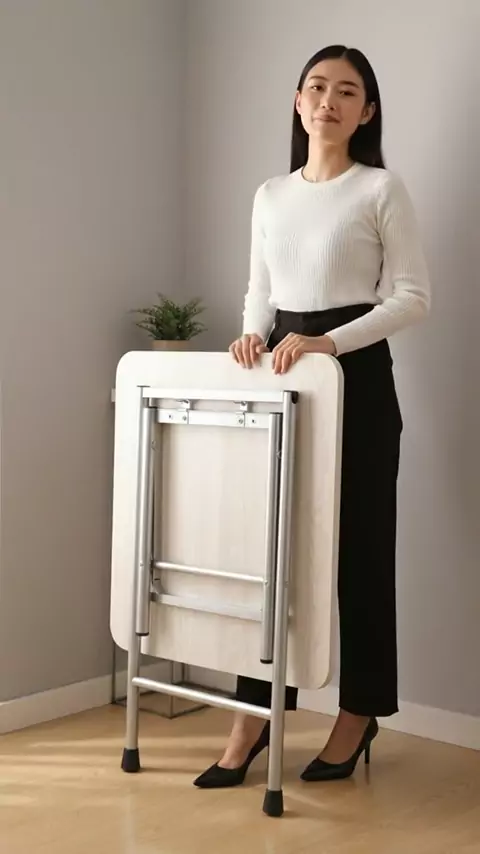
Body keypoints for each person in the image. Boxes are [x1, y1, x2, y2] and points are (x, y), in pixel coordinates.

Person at [194, 44, 430, 789]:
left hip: (356, 378)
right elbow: (260, 292)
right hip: (282, 373)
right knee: (271, 557)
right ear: (298, 101)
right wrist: (250, 336)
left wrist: (329, 341)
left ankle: (358, 714)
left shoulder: (381, 188)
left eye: (347, 91)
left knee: (361, 554)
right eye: (317, 87)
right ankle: (253, 717)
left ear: (367, 111)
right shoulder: (270, 194)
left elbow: (413, 298)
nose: (329, 100)